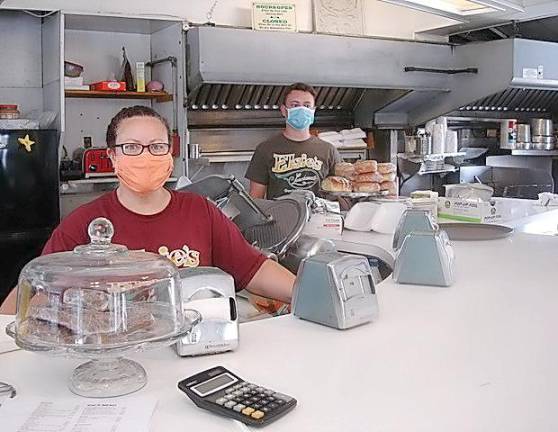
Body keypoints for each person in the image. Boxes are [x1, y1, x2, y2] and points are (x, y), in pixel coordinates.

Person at [0, 106, 295, 314]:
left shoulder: (199, 211)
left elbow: (252, 268)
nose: (145, 156)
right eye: (131, 147)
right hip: (115, 357)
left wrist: (310, 295)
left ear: (170, 153)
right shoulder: (85, 222)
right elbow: (36, 288)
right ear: (112, 156)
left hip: (189, 347)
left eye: (156, 146)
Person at [245, 82, 342, 199]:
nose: (301, 110)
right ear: (283, 110)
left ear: (313, 111)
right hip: (279, 216)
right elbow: (255, 200)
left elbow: (342, 193)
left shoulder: (328, 150)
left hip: (319, 217)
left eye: (306, 106)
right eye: (295, 105)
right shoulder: (265, 149)